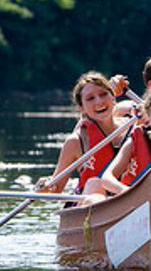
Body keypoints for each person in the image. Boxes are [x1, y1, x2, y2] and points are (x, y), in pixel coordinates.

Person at [37, 71, 135, 204]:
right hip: (92, 201)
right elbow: (56, 189)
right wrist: (44, 187)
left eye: (103, 94)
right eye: (90, 98)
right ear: (81, 108)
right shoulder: (75, 142)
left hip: (132, 195)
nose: (99, 101)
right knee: (95, 183)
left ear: (113, 97)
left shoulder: (134, 126)